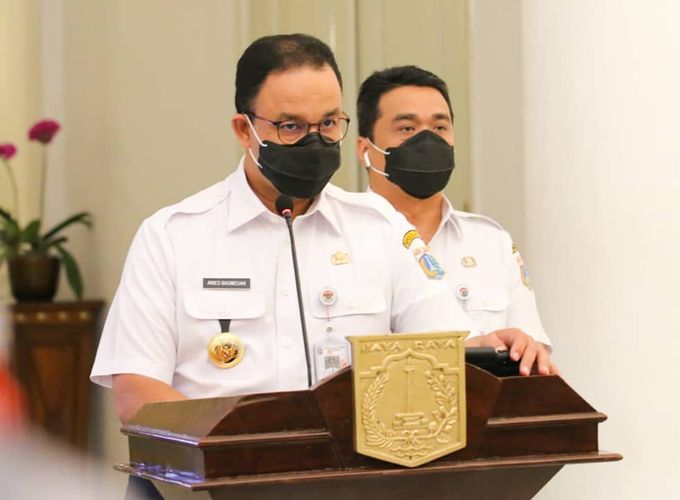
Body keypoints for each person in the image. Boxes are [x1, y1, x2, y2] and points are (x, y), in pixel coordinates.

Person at [91, 35, 551, 429]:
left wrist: (496, 346)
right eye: (291, 127)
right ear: (244, 130)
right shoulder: (173, 236)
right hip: (213, 480)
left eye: (329, 123)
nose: (315, 140)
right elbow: (136, 391)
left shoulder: (379, 226)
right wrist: (251, 449)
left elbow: (447, 348)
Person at [356, 65, 556, 374]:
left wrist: (527, 351)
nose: (426, 141)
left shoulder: (491, 242)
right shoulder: (344, 235)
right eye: (407, 129)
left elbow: (531, 355)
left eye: (439, 128)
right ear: (365, 149)